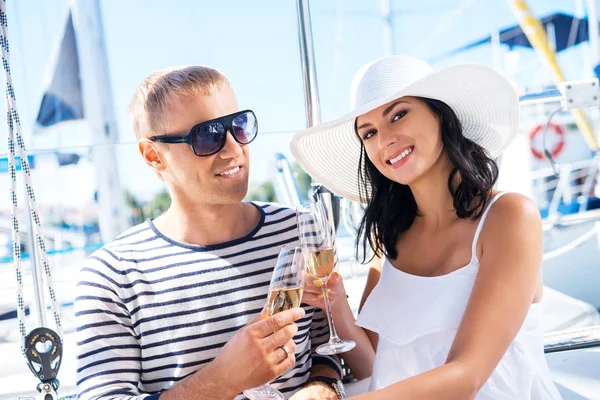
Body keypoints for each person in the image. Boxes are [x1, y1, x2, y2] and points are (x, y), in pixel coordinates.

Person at [291, 55, 563, 399]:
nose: (384, 140)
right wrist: (335, 303)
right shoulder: (388, 235)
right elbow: (371, 364)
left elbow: (468, 376)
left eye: (399, 114)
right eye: (369, 132)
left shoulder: (508, 216)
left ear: (441, 114)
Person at [75, 65, 344, 400]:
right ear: (153, 156)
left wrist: (322, 387)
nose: (233, 149)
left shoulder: (300, 230)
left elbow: (327, 347)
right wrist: (222, 381)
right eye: (208, 135)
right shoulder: (112, 275)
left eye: (239, 126)